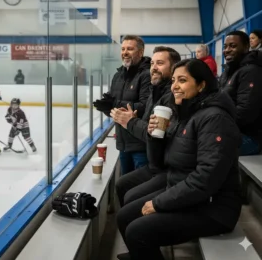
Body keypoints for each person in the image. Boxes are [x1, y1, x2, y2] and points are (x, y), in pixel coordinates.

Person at [116, 59, 242, 260]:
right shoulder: (186, 113)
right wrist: (154, 135)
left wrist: (159, 202)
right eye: (174, 80)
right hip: (188, 192)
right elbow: (159, 164)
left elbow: (206, 178)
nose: (174, 86)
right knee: (125, 216)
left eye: (182, 80)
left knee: (137, 231)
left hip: (214, 208)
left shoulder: (215, 119)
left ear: (201, 85)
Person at [111, 46, 181, 206]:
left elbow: (156, 133)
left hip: (164, 165)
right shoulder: (154, 91)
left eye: (160, 63)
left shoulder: (171, 97)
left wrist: (130, 122)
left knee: (130, 195)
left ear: (174, 68)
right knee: (122, 185)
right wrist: (135, 118)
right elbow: (149, 124)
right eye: (152, 63)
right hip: (154, 160)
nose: (154, 68)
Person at [93, 35, 151, 175]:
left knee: (139, 189)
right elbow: (115, 108)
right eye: (123, 49)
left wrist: (115, 104)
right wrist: (108, 108)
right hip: (123, 143)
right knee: (124, 186)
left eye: (130, 49)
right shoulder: (118, 76)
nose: (125, 52)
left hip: (140, 145)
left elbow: (144, 106)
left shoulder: (146, 74)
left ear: (141, 52)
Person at [220, 30, 262, 155]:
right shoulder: (228, 71)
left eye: (233, 46)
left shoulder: (251, 71)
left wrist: (216, 123)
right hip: (229, 129)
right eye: (225, 46)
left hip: (250, 138)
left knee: (202, 143)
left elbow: (245, 112)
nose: (227, 50)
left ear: (246, 47)